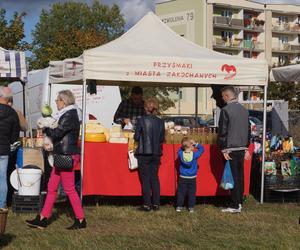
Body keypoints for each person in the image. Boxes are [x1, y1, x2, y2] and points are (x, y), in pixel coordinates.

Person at [26, 90, 86, 230]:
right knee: (52, 188)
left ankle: (81, 219)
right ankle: (42, 218)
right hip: (61, 155)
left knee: (69, 189)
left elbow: (57, 133)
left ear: (64, 101)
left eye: (57, 100)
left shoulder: (69, 115)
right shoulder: (67, 114)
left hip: (66, 155)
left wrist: (45, 127)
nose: (56, 102)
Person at [218, 86, 251, 214]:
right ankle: (238, 202)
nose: (222, 99)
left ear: (227, 96)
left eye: (223, 96)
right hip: (242, 147)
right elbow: (248, 130)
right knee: (239, 176)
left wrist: (224, 149)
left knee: (232, 177)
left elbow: (223, 131)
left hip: (230, 148)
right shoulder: (244, 110)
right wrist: (247, 147)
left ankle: (235, 204)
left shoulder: (225, 110)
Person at [134, 98, 165, 211]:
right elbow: (162, 138)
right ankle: (156, 204)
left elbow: (136, 137)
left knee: (145, 179)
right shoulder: (161, 121)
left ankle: (147, 204)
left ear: (145, 108)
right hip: (156, 153)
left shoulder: (141, 120)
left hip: (144, 153)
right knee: (155, 178)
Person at [0, 86, 20, 210]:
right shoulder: (13, 113)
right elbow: (15, 137)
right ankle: (2, 205)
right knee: (2, 178)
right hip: (4, 151)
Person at [176, 137, 204, 213]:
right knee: (192, 192)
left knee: (181, 192)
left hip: (183, 177)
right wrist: (196, 144)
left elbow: (179, 150)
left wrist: (184, 146)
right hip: (192, 177)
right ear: (191, 146)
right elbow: (202, 149)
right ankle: (191, 207)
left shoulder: (180, 154)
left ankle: (179, 206)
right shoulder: (195, 155)